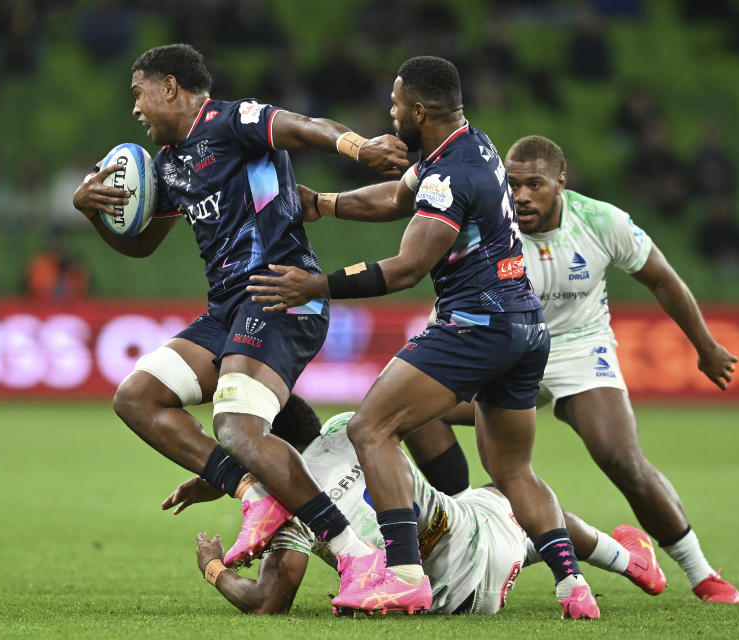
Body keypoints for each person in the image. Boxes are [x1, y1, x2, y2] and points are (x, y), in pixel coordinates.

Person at [246, 56, 599, 619]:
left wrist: (316, 285)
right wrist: (326, 205)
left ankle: (404, 576)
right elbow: (396, 198)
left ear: (417, 110)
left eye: (394, 104)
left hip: (476, 324)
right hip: (525, 327)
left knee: (370, 428)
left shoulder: (450, 173)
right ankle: (572, 587)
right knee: (512, 472)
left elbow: (409, 267)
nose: (389, 112)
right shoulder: (471, 145)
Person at [71, 43, 410, 594]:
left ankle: (356, 557)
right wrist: (96, 216)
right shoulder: (169, 167)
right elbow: (142, 247)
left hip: (281, 289)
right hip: (228, 307)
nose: (135, 109)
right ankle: (252, 492)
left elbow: (304, 125)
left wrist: (357, 145)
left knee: (236, 426)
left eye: (138, 94)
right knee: (136, 397)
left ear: (170, 87)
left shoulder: (232, 122)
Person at [411, 135, 739, 603]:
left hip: (578, 350)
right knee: (415, 410)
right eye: (513, 184)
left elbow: (661, 278)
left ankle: (700, 571)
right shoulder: (486, 225)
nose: (521, 195)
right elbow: (450, 306)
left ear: (560, 183)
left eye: (535, 185)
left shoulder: (602, 221)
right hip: (505, 349)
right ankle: (479, 521)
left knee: (620, 457)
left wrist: (705, 346)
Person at [165, 395, 665, 615]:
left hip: (452, 605)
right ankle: (630, 561)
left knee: (489, 505)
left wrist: (213, 567)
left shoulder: (287, 506)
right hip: (488, 544)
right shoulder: (347, 427)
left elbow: (269, 601)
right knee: (508, 496)